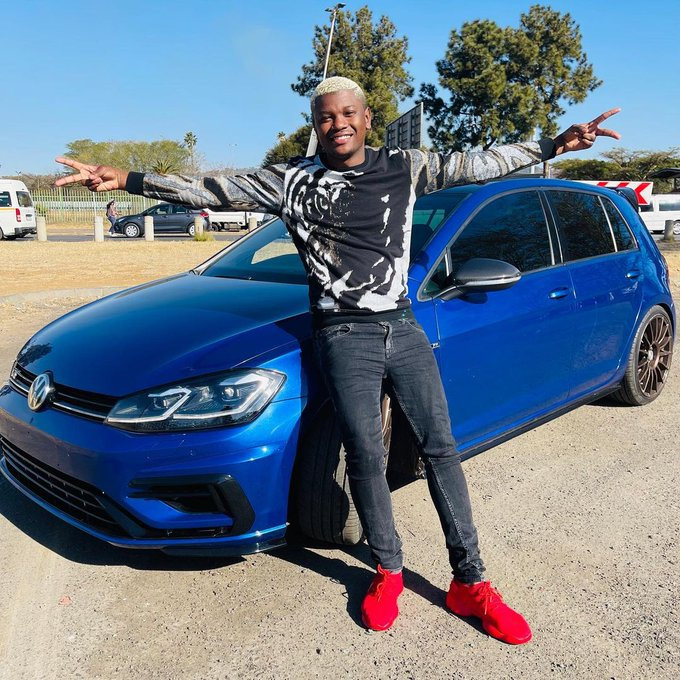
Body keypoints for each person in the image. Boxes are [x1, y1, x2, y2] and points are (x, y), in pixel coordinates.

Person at [55, 76, 620, 643]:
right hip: (342, 333)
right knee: (366, 457)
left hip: (402, 325)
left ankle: (470, 583)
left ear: (366, 118)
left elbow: (481, 162)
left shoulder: (405, 167)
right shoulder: (292, 180)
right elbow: (212, 188)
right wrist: (126, 179)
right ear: (316, 124)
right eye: (326, 116)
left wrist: (555, 145)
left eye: (348, 113)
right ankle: (388, 571)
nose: (338, 124)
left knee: (440, 451)